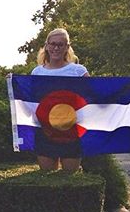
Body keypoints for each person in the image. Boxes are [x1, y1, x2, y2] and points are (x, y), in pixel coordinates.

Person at [31, 28, 89, 172]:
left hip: (72, 132)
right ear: (47, 45)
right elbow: (30, 100)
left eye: (60, 45)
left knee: (70, 179)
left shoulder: (78, 71)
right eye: (52, 44)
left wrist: (128, 86)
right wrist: (13, 83)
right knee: (47, 178)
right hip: (45, 132)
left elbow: (94, 95)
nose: (56, 48)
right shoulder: (37, 72)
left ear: (67, 47)